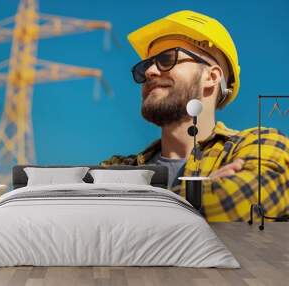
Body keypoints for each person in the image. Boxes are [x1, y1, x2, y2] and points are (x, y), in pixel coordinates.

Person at [101, 10, 289, 221]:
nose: (149, 72)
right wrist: (198, 196)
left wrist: (127, 212)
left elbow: (235, 204)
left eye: (166, 59)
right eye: (145, 65)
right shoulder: (116, 168)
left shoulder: (262, 145)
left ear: (211, 76)